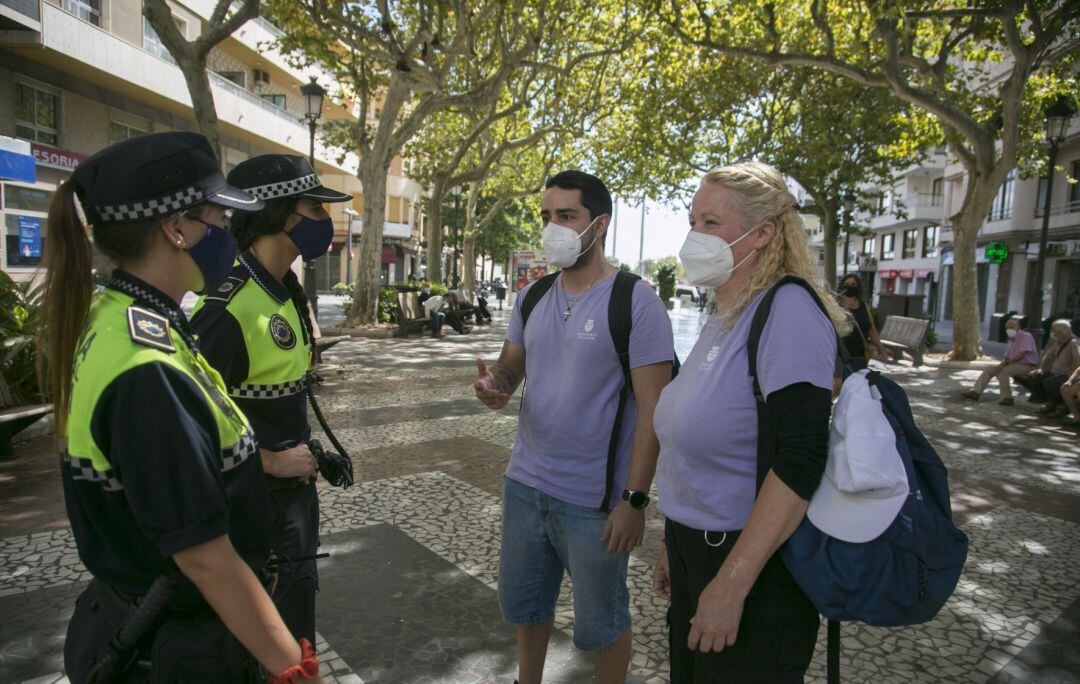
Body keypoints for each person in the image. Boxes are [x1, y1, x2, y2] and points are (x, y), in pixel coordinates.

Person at [44, 133, 322, 682]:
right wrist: (293, 668)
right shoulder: (146, 368)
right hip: (173, 648)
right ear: (176, 228)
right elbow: (202, 556)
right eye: (219, 217)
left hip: (155, 629)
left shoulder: (122, 314)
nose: (228, 232)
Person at [473, 170, 674, 684]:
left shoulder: (637, 302)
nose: (552, 228)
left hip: (594, 502)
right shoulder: (533, 296)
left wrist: (634, 501)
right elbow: (510, 368)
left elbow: (655, 410)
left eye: (566, 216)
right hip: (524, 485)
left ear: (599, 225)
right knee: (526, 607)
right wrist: (495, 386)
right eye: (546, 216)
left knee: (603, 627)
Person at [652, 162, 849, 682]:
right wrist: (677, 542)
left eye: (711, 223)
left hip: (755, 573)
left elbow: (802, 459)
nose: (694, 236)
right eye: (692, 221)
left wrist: (732, 583)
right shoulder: (725, 314)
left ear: (763, 233)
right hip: (698, 552)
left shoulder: (787, 311)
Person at [190, 154, 352, 645]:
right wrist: (269, 462)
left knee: (295, 628)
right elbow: (186, 432)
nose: (326, 221)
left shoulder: (283, 289)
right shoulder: (226, 306)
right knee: (262, 644)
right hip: (250, 511)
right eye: (316, 208)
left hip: (290, 508)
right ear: (281, 213)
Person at [960, 318, 1038, 405]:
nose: (1009, 330)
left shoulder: (1026, 336)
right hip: (1013, 365)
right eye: (1007, 328)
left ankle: (1007, 397)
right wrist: (1000, 365)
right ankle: (975, 392)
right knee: (989, 369)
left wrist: (1004, 365)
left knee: (1003, 371)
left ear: (1017, 327)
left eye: (1012, 327)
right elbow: (1006, 357)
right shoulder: (1011, 340)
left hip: (1027, 366)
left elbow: (1022, 354)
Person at [1027, 319, 1080, 416]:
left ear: (1062, 332)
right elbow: (1048, 355)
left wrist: (1071, 375)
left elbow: (1077, 359)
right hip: (1056, 373)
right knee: (1036, 378)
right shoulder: (1058, 342)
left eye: (1054, 330)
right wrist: (1041, 369)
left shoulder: (1073, 343)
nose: (1052, 333)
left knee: (1050, 382)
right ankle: (1051, 403)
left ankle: (1062, 406)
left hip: (1066, 374)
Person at [837, 272, 888, 370]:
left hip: (861, 354)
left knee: (859, 381)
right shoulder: (836, 305)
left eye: (853, 284)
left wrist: (882, 351)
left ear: (858, 287)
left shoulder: (864, 306)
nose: (850, 287)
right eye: (847, 284)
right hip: (841, 354)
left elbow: (872, 329)